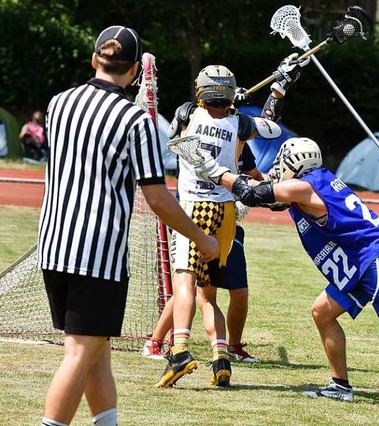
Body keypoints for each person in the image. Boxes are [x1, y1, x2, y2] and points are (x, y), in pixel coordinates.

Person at [38, 25, 219, 426]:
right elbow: (156, 198)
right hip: (97, 253)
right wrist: (201, 238)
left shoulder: (58, 104)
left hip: (53, 244)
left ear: (93, 60)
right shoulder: (135, 120)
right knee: (81, 352)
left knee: (95, 347)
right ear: (135, 70)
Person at [191, 137, 379, 418]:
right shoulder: (313, 182)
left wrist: (214, 171)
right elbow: (268, 196)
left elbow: (255, 194)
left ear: (293, 161)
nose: (277, 166)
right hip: (358, 261)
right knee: (322, 312)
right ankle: (340, 385)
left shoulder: (302, 186)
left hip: (378, 254)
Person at [154, 55, 306, 388]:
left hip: (194, 208)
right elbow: (271, 126)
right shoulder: (240, 124)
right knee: (208, 295)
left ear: (201, 92)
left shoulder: (188, 115)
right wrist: (278, 89)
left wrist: (228, 107)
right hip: (225, 214)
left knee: (184, 283)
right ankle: (220, 357)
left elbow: (179, 128)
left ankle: (179, 350)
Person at [143, 144, 266, 363]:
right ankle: (157, 341)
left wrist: (268, 186)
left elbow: (253, 175)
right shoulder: (195, 139)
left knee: (238, 291)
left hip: (226, 225)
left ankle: (233, 347)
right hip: (195, 218)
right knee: (195, 289)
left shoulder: (239, 137)